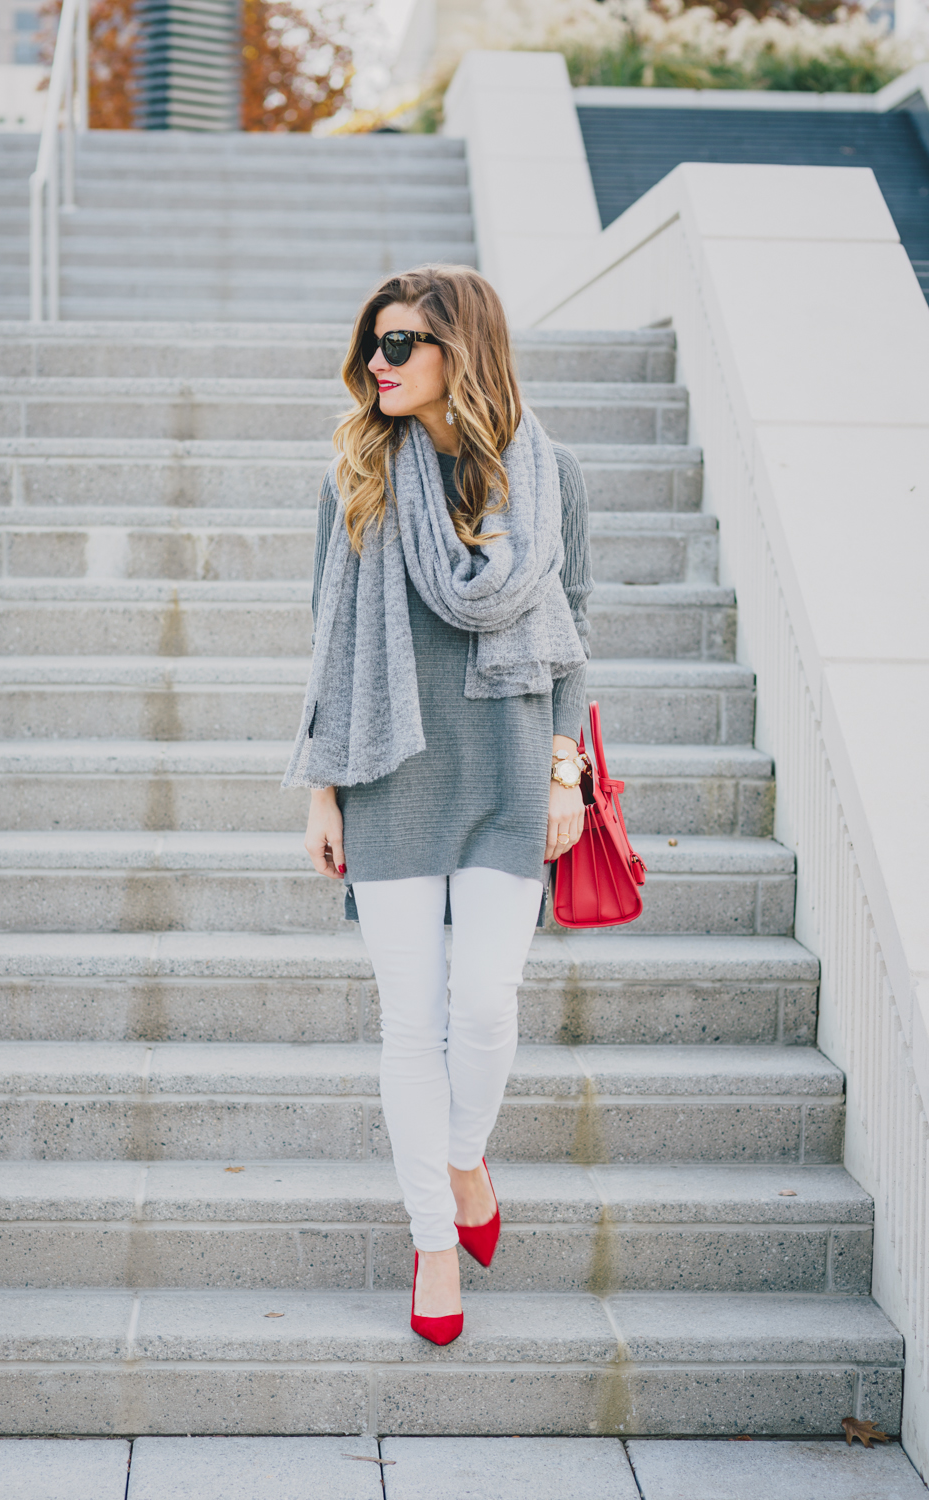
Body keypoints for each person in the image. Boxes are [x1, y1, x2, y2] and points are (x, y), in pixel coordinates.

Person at [283, 265, 593, 1345]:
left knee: (487, 1005)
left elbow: (574, 631)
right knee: (411, 1022)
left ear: (463, 352)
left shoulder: (545, 477)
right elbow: (326, 639)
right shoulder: (353, 474)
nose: (379, 361)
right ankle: (431, 1241)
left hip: (509, 773)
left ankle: (463, 1160)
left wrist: (566, 774)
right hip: (388, 772)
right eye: (374, 340)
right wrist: (321, 790)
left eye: (404, 343)